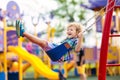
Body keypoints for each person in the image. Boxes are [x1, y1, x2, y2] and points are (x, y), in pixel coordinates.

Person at [15, 20, 83, 61]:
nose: (68, 31)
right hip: (55, 51)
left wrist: (80, 38)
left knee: (43, 42)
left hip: (59, 54)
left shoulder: (75, 41)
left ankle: (23, 32)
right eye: (68, 30)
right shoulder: (68, 39)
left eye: (71, 30)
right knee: (40, 43)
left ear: (77, 33)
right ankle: (22, 34)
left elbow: (77, 50)